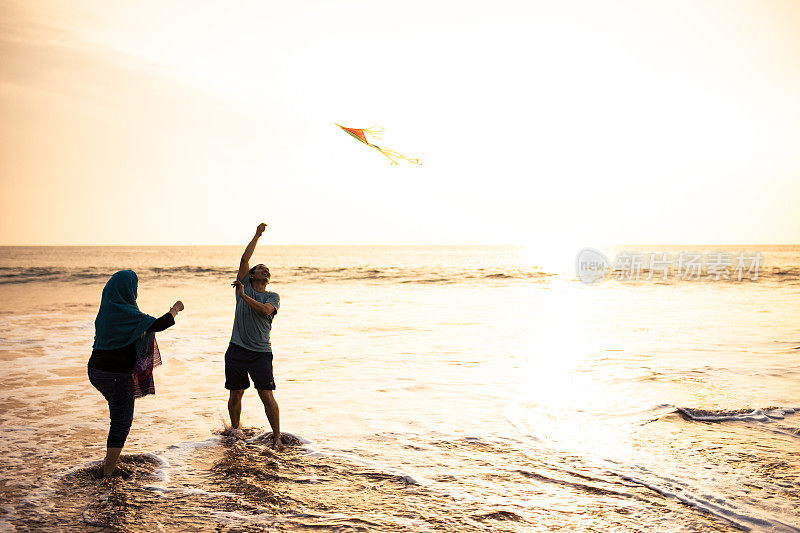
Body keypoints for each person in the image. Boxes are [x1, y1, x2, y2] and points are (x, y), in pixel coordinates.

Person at [87, 270, 183, 477]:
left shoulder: (106, 311)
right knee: (121, 422)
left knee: (117, 414)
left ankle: (110, 461)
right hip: (114, 375)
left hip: (96, 371)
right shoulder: (126, 312)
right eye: (135, 287)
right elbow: (159, 324)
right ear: (128, 289)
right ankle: (108, 472)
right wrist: (175, 309)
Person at [225, 223, 282, 449]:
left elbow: (264, 311)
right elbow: (243, 260)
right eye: (260, 268)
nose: (265, 270)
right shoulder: (244, 286)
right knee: (236, 392)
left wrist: (243, 297)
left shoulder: (272, 296)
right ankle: (235, 429)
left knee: (266, 394)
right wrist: (257, 235)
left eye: (267, 270)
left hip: (260, 352)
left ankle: (277, 435)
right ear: (251, 275)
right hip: (237, 349)